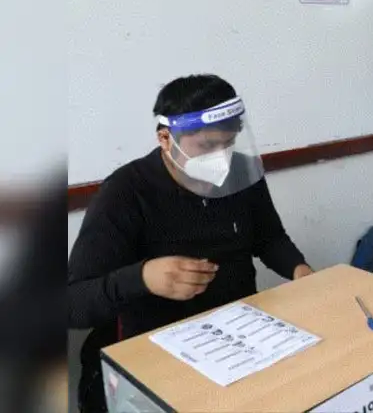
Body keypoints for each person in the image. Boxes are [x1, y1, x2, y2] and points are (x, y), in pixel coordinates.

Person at [68, 75, 313, 413]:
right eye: (207, 146)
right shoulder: (125, 192)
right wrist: (143, 277)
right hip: (161, 357)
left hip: (241, 340)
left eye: (229, 143)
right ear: (165, 138)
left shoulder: (241, 171)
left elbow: (269, 237)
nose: (222, 159)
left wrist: (301, 272)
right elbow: (74, 302)